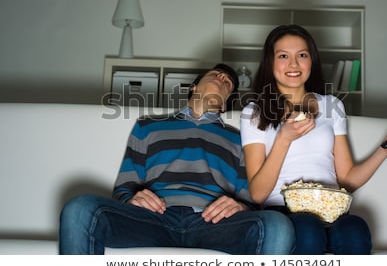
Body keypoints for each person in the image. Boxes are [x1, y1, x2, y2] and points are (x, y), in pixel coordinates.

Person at [59, 63, 295, 255]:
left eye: (227, 83)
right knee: (80, 208)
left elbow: (251, 201)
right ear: (194, 87)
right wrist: (132, 199)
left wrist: (241, 207)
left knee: (276, 225)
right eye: (215, 74)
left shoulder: (239, 140)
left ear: (224, 104)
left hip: (213, 224)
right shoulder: (147, 127)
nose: (221, 78)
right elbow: (123, 189)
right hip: (153, 219)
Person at [239, 25, 387, 255]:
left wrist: (386, 148)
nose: (294, 64)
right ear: (270, 62)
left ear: (311, 61)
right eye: (283, 56)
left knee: (356, 228)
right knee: (308, 228)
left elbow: (347, 180)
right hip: (285, 212)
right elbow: (258, 193)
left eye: (302, 55)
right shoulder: (254, 112)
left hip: (331, 210)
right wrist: (284, 139)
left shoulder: (331, 105)